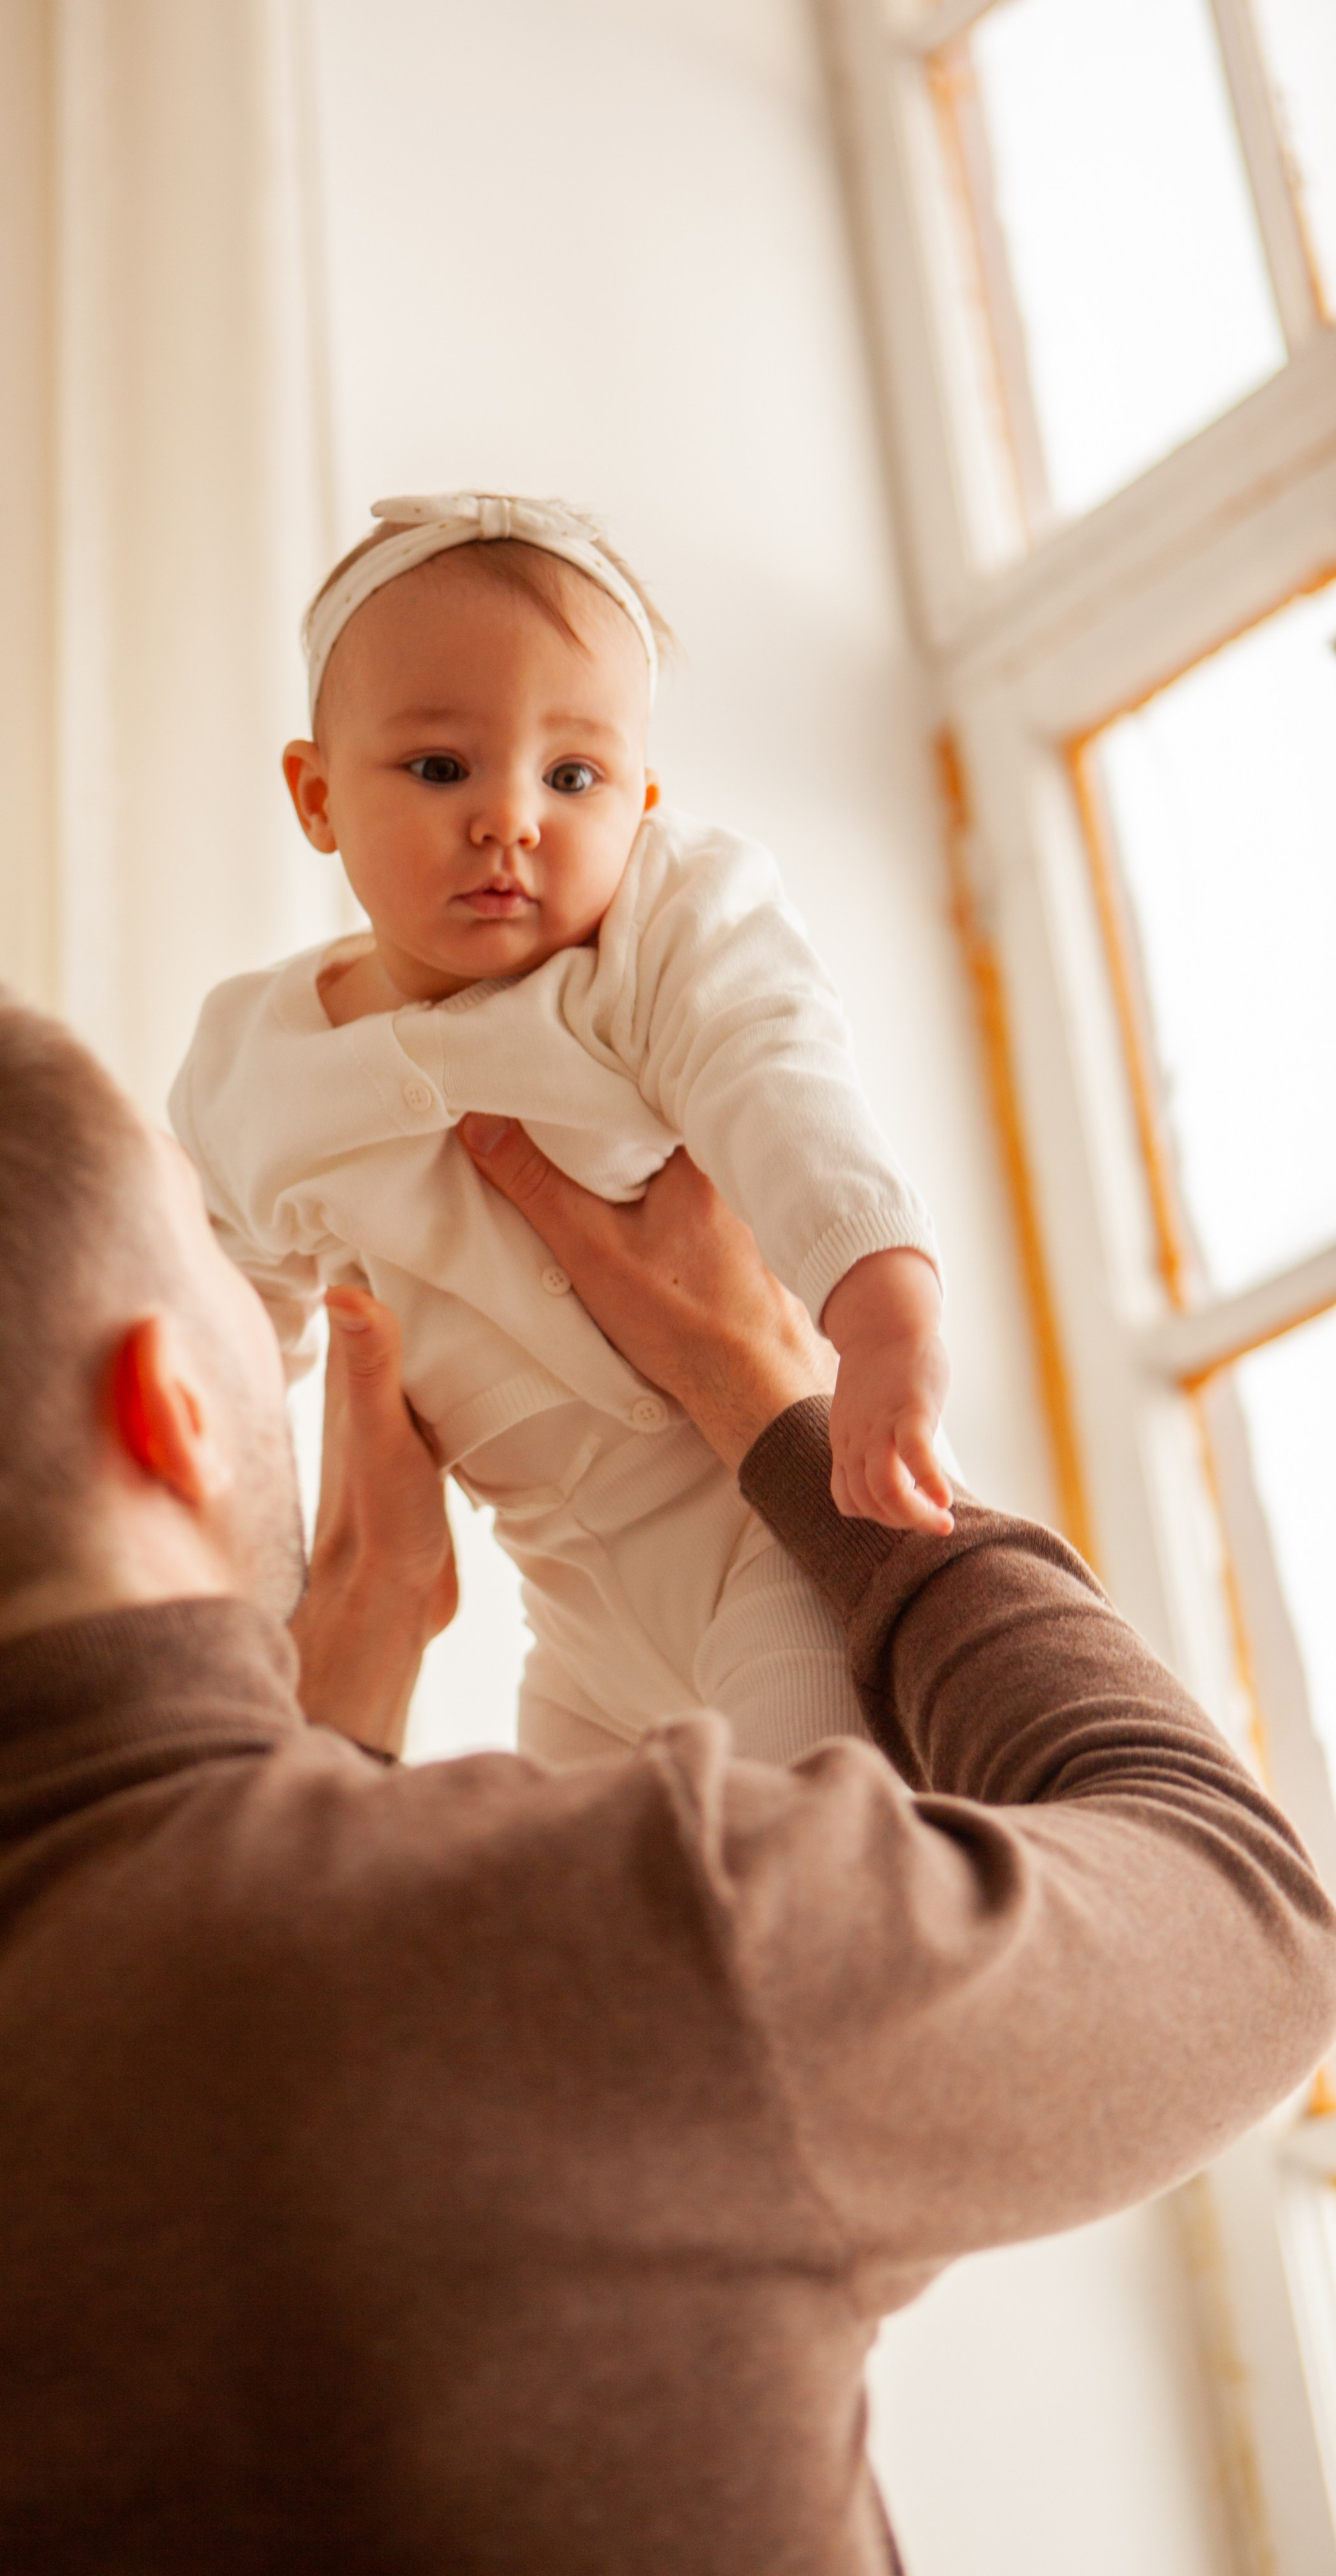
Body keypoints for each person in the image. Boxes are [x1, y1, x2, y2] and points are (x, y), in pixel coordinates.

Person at [0, 945, 1332, 2576]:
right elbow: (1243, 1922)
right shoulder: (615, 1942)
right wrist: (779, 1404)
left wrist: (323, 1734)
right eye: (218, 1280)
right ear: (170, 1411)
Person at [173, 489, 951, 1773]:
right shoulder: (251, 1065)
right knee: (584, 1916)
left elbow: (784, 1080)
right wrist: (240, 1598)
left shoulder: (662, 935)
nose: (511, 819)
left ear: (642, 803)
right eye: (440, 768)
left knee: (785, 1854)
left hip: (787, 1535)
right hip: (578, 1637)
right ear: (316, 797)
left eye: (573, 775)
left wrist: (883, 1314)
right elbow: (226, 1345)